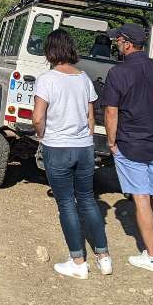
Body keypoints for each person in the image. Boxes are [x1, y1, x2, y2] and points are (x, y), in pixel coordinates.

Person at [99, 22, 153, 272]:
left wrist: (111, 142)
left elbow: (111, 112)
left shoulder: (118, 73)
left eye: (118, 40)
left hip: (130, 145)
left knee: (142, 198)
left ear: (126, 42)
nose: (116, 44)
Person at [32, 29, 112, 279]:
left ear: (50, 50)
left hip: (58, 147)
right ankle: (104, 257)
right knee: (87, 199)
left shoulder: (47, 79)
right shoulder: (84, 78)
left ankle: (77, 261)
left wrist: (43, 135)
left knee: (66, 202)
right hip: (84, 147)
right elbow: (90, 116)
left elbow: (37, 117)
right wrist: (86, 138)